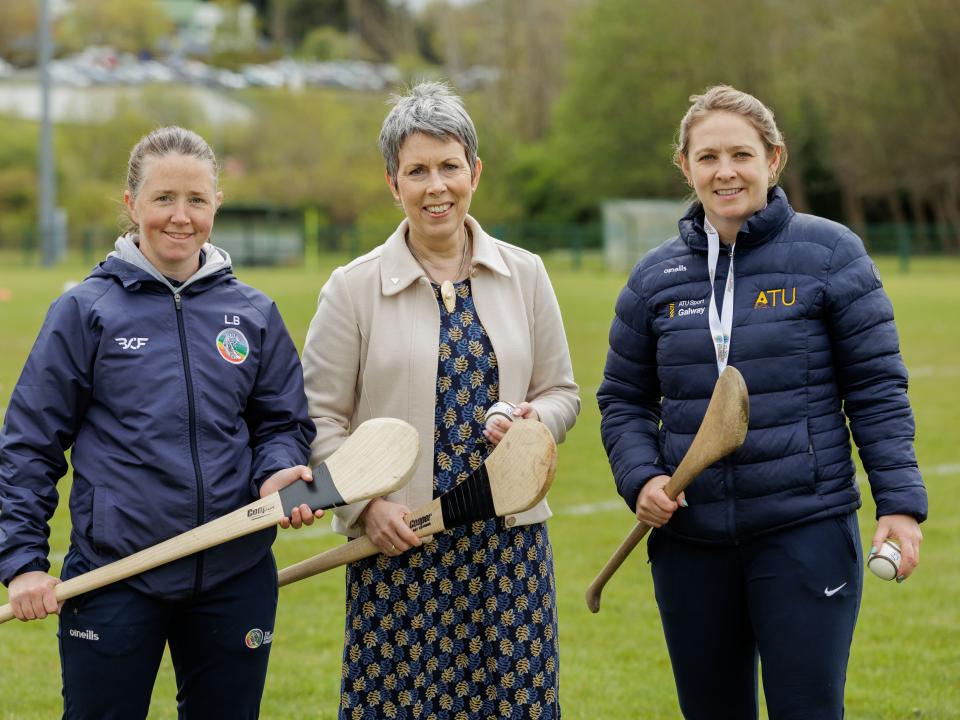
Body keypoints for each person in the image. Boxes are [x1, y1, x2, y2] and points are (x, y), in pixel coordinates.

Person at [598, 85, 927, 720]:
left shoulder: (831, 254)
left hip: (803, 531)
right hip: (689, 541)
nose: (726, 172)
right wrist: (640, 477)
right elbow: (624, 399)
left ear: (773, 160)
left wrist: (901, 506)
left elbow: (878, 388)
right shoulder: (654, 277)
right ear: (686, 167)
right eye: (708, 157)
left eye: (742, 154)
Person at [0, 126, 321, 719]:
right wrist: (22, 562)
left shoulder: (253, 312)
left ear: (216, 204)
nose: (180, 217)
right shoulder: (86, 311)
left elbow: (282, 423)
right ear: (132, 206)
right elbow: (28, 444)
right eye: (163, 199)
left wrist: (278, 470)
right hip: (115, 576)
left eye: (196, 200)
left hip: (234, 571)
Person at [301, 81, 579, 719]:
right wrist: (365, 508)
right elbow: (317, 419)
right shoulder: (352, 289)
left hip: (507, 550)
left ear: (475, 172)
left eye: (450, 166)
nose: (437, 186)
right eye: (417, 170)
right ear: (392, 183)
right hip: (401, 546)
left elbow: (562, 391)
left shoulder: (526, 273)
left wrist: (537, 424)